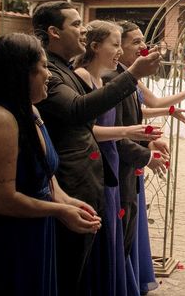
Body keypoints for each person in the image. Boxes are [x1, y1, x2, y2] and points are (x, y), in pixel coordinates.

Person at [0, 32, 101, 296]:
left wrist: (66, 201)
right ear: (20, 73)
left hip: (33, 232)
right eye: (43, 67)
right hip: (4, 242)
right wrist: (58, 211)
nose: (50, 75)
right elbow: (2, 200)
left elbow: (45, 174)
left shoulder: (30, 111)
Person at [33, 1, 159, 296]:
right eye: (76, 24)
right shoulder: (55, 73)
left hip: (89, 182)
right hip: (70, 182)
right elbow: (79, 111)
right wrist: (133, 75)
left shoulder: (62, 69)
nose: (83, 29)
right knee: (69, 273)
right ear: (53, 32)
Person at [109, 21, 185, 294]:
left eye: (142, 41)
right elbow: (123, 119)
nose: (142, 47)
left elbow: (153, 105)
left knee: (132, 219)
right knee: (123, 221)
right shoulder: (112, 78)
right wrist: (147, 145)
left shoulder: (129, 76)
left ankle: (130, 279)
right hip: (123, 156)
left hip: (134, 152)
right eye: (134, 42)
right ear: (118, 46)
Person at [74, 21, 162, 295]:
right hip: (104, 167)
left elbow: (143, 109)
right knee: (111, 237)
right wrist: (138, 144)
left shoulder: (104, 78)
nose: (118, 52)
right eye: (116, 44)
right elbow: (87, 127)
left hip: (115, 165)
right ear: (96, 46)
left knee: (119, 238)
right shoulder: (98, 79)